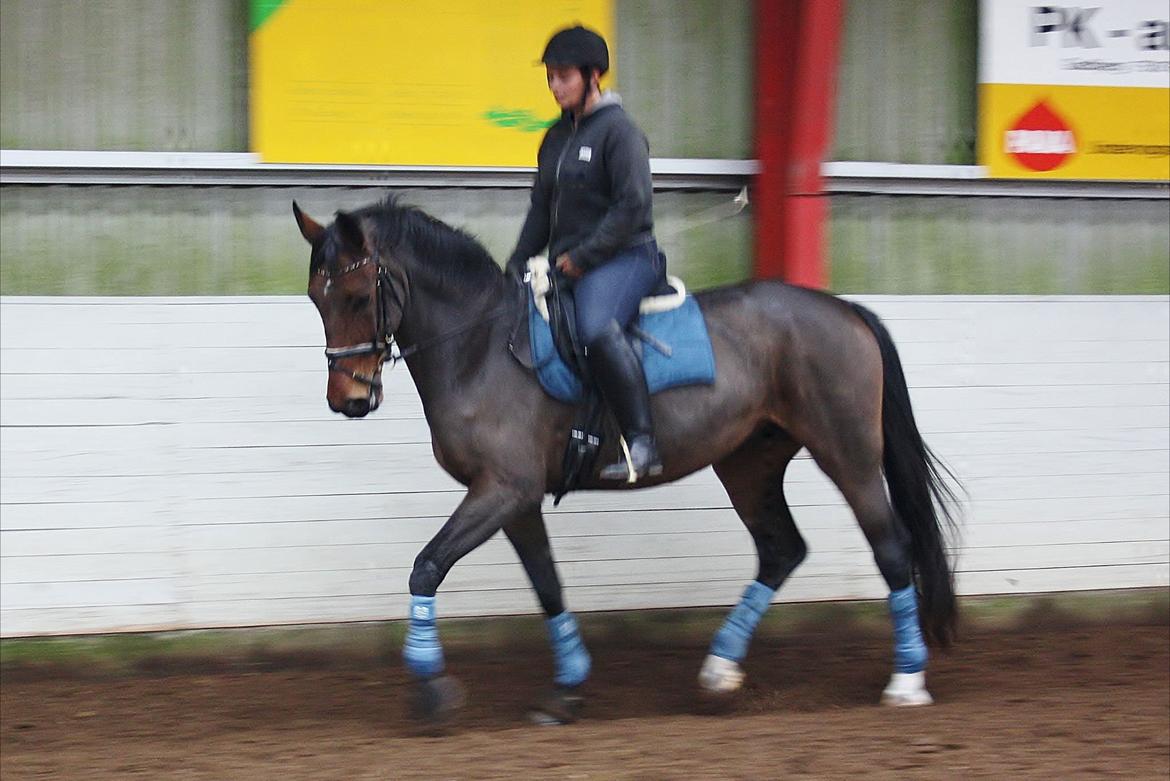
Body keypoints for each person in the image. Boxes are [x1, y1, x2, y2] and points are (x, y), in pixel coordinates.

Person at [507, 24, 665, 482]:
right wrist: (517, 260)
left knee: (595, 327)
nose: (555, 86)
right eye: (551, 78)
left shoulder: (620, 133)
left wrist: (585, 257)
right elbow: (541, 209)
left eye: (564, 77)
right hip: (569, 263)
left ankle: (643, 440)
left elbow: (632, 206)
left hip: (627, 258)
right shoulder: (554, 139)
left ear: (593, 75)